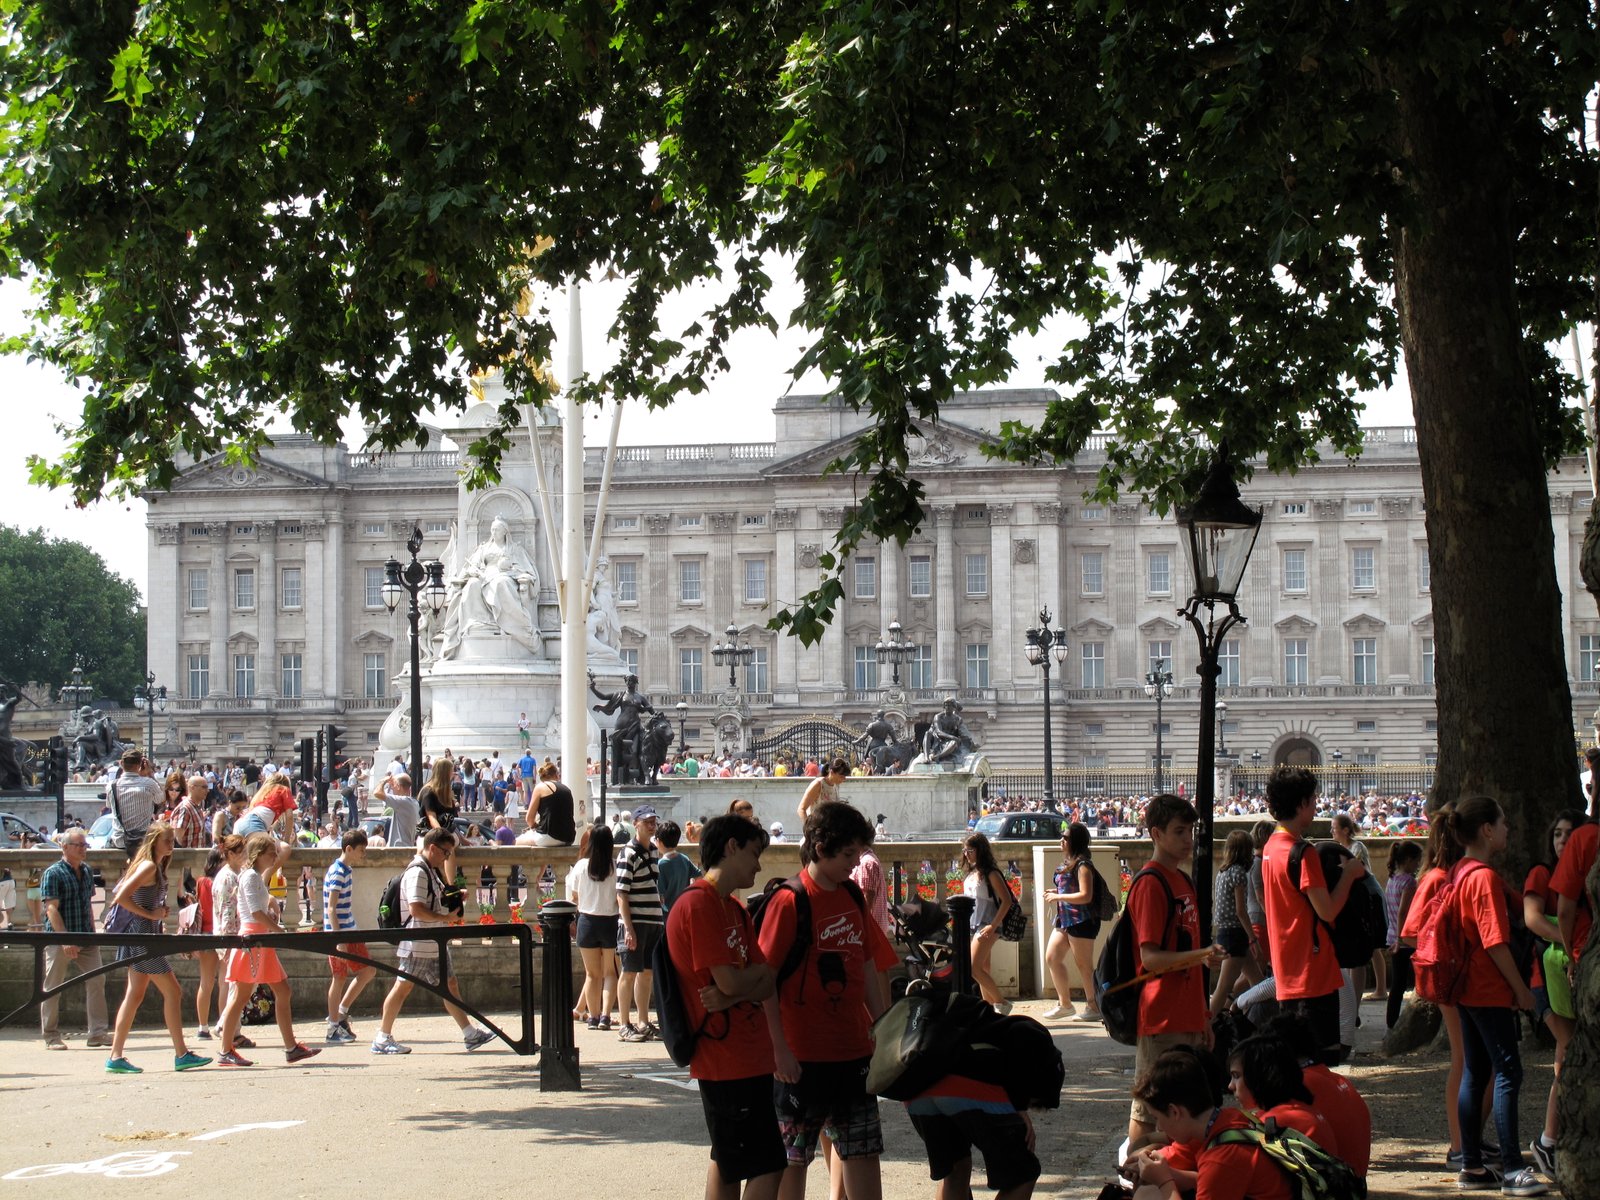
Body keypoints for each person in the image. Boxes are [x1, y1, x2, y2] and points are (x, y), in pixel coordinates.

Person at [759, 801, 897, 1200]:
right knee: (793, 1161)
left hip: (853, 1052)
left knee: (863, 1153)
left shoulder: (853, 896)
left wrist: (883, 1031)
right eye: (848, 854)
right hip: (801, 1059)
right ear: (821, 848)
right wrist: (779, 1050)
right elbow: (765, 980)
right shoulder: (790, 900)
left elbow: (868, 966)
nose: (855, 864)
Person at [666, 813, 785, 1200]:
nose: (758, 863)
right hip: (726, 1055)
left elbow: (764, 980)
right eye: (753, 853)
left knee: (730, 1161)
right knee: (768, 1164)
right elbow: (744, 978)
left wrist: (736, 992)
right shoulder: (700, 904)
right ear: (731, 847)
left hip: (742, 1052)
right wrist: (744, 985)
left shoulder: (732, 908)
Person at [1437, 797, 1545, 1196]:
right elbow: (1495, 940)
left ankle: (1472, 1165)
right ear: (1486, 829)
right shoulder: (1481, 877)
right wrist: (1520, 989)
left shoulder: (1461, 870)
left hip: (1467, 987)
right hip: (1487, 987)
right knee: (1507, 1072)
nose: (1507, 829)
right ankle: (1514, 1169)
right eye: (1502, 823)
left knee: (1477, 1071)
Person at [1125, 793, 1223, 1157]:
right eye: (1180, 831)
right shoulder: (1152, 883)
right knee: (1150, 1112)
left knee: (1181, 1116)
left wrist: (1204, 1015)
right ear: (1156, 833)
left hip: (1186, 1016)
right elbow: (1150, 958)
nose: (1188, 840)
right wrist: (1201, 955)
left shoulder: (1182, 881)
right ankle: (1134, 1181)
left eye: (1191, 831)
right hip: (1161, 1017)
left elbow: (1189, 960)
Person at [1261, 767, 1367, 1062]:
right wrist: (1350, 874)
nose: (1316, 806)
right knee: (1320, 1062)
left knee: (1295, 1062)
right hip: (1312, 969)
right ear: (1302, 804)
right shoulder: (1302, 852)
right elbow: (1327, 909)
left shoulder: (1271, 847)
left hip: (1286, 968)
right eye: (1313, 799)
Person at [373, 827, 496, 1054]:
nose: (447, 857)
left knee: (449, 985)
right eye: (446, 852)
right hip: (419, 942)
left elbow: (430, 901)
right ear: (432, 848)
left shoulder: (428, 870)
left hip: (431, 941)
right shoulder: (419, 872)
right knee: (403, 987)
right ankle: (382, 1037)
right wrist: (445, 917)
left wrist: (455, 897)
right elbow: (416, 909)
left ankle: (470, 1034)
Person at [104, 822, 213, 1074]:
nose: (171, 844)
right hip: (143, 938)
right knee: (172, 991)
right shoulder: (149, 866)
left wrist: (156, 912)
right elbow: (120, 897)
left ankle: (116, 1056)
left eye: (171, 839)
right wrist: (150, 913)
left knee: (134, 995)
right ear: (154, 841)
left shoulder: (155, 866)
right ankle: (181, 1053)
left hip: (144, 936)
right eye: (166, 840)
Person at [214, 831, 321, 1067]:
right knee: (243, 996)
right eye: (271, 853)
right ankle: (226, 1049)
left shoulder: (253, 876)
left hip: (259, 942)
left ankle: (290, 1047)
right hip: (253, 942)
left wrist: (272, 915)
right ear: (259, 854)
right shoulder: (251, 876)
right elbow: (255, 912)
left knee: (280, 992)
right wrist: (278, 929)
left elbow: (258, 907)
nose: (275, 857)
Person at [1129, 1047, 1291, 1200]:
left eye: (1157, 1118)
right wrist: (1168, 1174)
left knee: (1150, 1195)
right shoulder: (1232, 1118)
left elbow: (1219, 1173)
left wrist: (1165, 1182)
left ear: (1174, 1112)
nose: (1159, 1127)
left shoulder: (1220, 1158)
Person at [1524, 809, 1583, 1178]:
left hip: (1568, 975)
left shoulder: (1579, 875)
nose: (1562, 841)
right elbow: (1533, 918)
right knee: (1569, 1054)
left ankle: (1554, 1138)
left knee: (1570, 1054)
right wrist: (1572, 940)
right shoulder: (1542, 873)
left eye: (1568, 835)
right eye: (1558, 834)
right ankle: (1548, 1140)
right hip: (1544, 980)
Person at [39, 826, 111, 1052]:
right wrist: (65, 940)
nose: (83, 849)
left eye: (85, 845)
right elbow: (51, 909)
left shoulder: (88, 870)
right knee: (53, 986)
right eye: (79, 845)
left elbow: (87, 905)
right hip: (60, 937)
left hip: (86, 935)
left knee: (97, 981)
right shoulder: (53, 873)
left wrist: (93, 931)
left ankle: (97, 1033)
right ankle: (50, 1035)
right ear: (65, 847)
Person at [1226, 1034, 1340, 1156]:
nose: (1230, 1086)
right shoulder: (1297, 1107)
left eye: (1236, 1076)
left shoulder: (1277, 1123)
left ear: (1260, 1076)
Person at [323, 828, 378, 1044]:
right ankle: (334, 1024)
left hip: (347, 930)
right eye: (361, 850)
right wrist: (338, 939)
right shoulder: (339, 872)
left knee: (365, 971)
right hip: (341, 932)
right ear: (349, 849)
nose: (363, 854)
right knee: (341, 977)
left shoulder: (344, 869)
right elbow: (331, 908)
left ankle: (339, 1015)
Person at [1042, 822, 1100, 1022]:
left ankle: (1093, 1006)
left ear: (1074, 842)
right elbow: (1071, 891)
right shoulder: (1069, 863)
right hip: (1066, 919)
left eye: (1065, 838)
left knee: (1084, 965)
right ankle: (1065, 1004)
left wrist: (1058, 897)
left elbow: (1086, 895)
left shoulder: (1083, 865)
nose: (1061, 840)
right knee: (1052, 957)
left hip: (1082, 920)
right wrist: (1057, 892)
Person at [616, 804, 663, 1042]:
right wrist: (628, 927)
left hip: (653, 919)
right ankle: (624, 1023)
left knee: (646, 972)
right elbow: (621, 893)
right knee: (629, 971)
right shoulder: (628, 853)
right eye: (647, 821)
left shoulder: (654, 850)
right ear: (636, 824)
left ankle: (643, 1021)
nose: (651, 825)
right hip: (636, 921)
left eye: (653, 821)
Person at [571, 823, 620, 1030]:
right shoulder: (615, 866)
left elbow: (574, 895)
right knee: (610, 972)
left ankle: (592, 1015)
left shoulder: (582, 866)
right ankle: (606, 1016)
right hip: (609, 920)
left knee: (592, 974)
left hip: (587, 921)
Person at [961, 832, 1016, 1014]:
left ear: (980, 851)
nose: (966, 854)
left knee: (973, 967)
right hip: (975, 924)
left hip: (988, 924)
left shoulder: (991, 873)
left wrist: (993, 925)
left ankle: (1001, 1003)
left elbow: (1007, 900)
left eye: (970, 850)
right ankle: (989, 1008)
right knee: (983, 967)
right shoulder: (973, 872)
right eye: (965, 850)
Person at [1210, 829, 1263, 1014]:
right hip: (1235, 934)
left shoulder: (1223, 872)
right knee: (1223, 988)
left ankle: (1248, 1017)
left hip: (1226, 932)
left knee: (1258, 982)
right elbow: (1241, 910)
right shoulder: (1239, 872)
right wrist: (1253, 938)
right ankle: (1205, 1027)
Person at [1383, 839, 1422, 1031]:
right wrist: (1400, 939)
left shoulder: (1392, 879)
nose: (1418, 866)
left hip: (1392, 936)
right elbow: (1403, 912)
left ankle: (1391, 1022)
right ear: (1407, 860)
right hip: (1404, 939)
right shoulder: (1409, 881)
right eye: (1416, 862)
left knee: (1397, 986)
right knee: (1411, 983)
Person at [107, 748, 161, 860]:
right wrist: (149, 774)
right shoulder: (149, 784)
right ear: (140, 764)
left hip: (120, 841)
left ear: (121, 764)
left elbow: (108, 806)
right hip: (143, 841)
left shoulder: (111, 786)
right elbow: (160, 799)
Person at [518, 760, 577, 847]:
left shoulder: (540, 787)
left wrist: (535, 827)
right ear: (556, 775)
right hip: (569, 837)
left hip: (549, 836)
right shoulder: (566, 789)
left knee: (515, 841)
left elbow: (529, 819)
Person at [655, 820, 702, 916]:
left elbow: (660, 897)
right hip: (683, 908)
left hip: (668, 914)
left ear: (659, 841)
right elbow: (699, 876)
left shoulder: (661, 865)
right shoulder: (684, 858)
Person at [798, 758, 848, 824]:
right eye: (841, 776)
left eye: (845, 776)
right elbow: (801, 809)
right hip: (815, 829)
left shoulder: (836, 785)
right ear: (832, 772)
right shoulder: (818, 784)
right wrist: (809, 830)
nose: (844, 779)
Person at [169, 775, 205, 848]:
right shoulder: (185, 809)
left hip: (198, 857)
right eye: (204, 787)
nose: (207, 790)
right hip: (187, 858)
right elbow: (176, 841)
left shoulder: (196, 807)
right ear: (192, 788)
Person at [387, 772, 420, 846]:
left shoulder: (402, 801)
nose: (392, 788)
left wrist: (383, 781)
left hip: (399, 849)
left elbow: (377, 793)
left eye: (393, 785)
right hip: (407, 846)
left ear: (398, 786)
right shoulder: (414, 802)